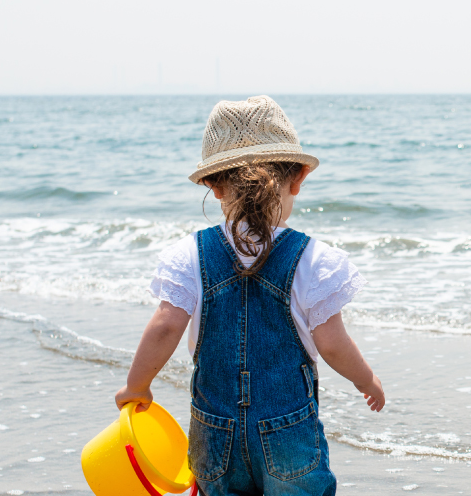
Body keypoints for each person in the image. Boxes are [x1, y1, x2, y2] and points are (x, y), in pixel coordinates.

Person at [115, 95, 385, 496]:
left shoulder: (190, 255)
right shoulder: (314, 260)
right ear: (298, 179)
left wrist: (137, 386)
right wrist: (368, 380)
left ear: (213, 186)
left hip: (214, 430)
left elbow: (165, 326)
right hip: (288, 431)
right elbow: (332, 344)